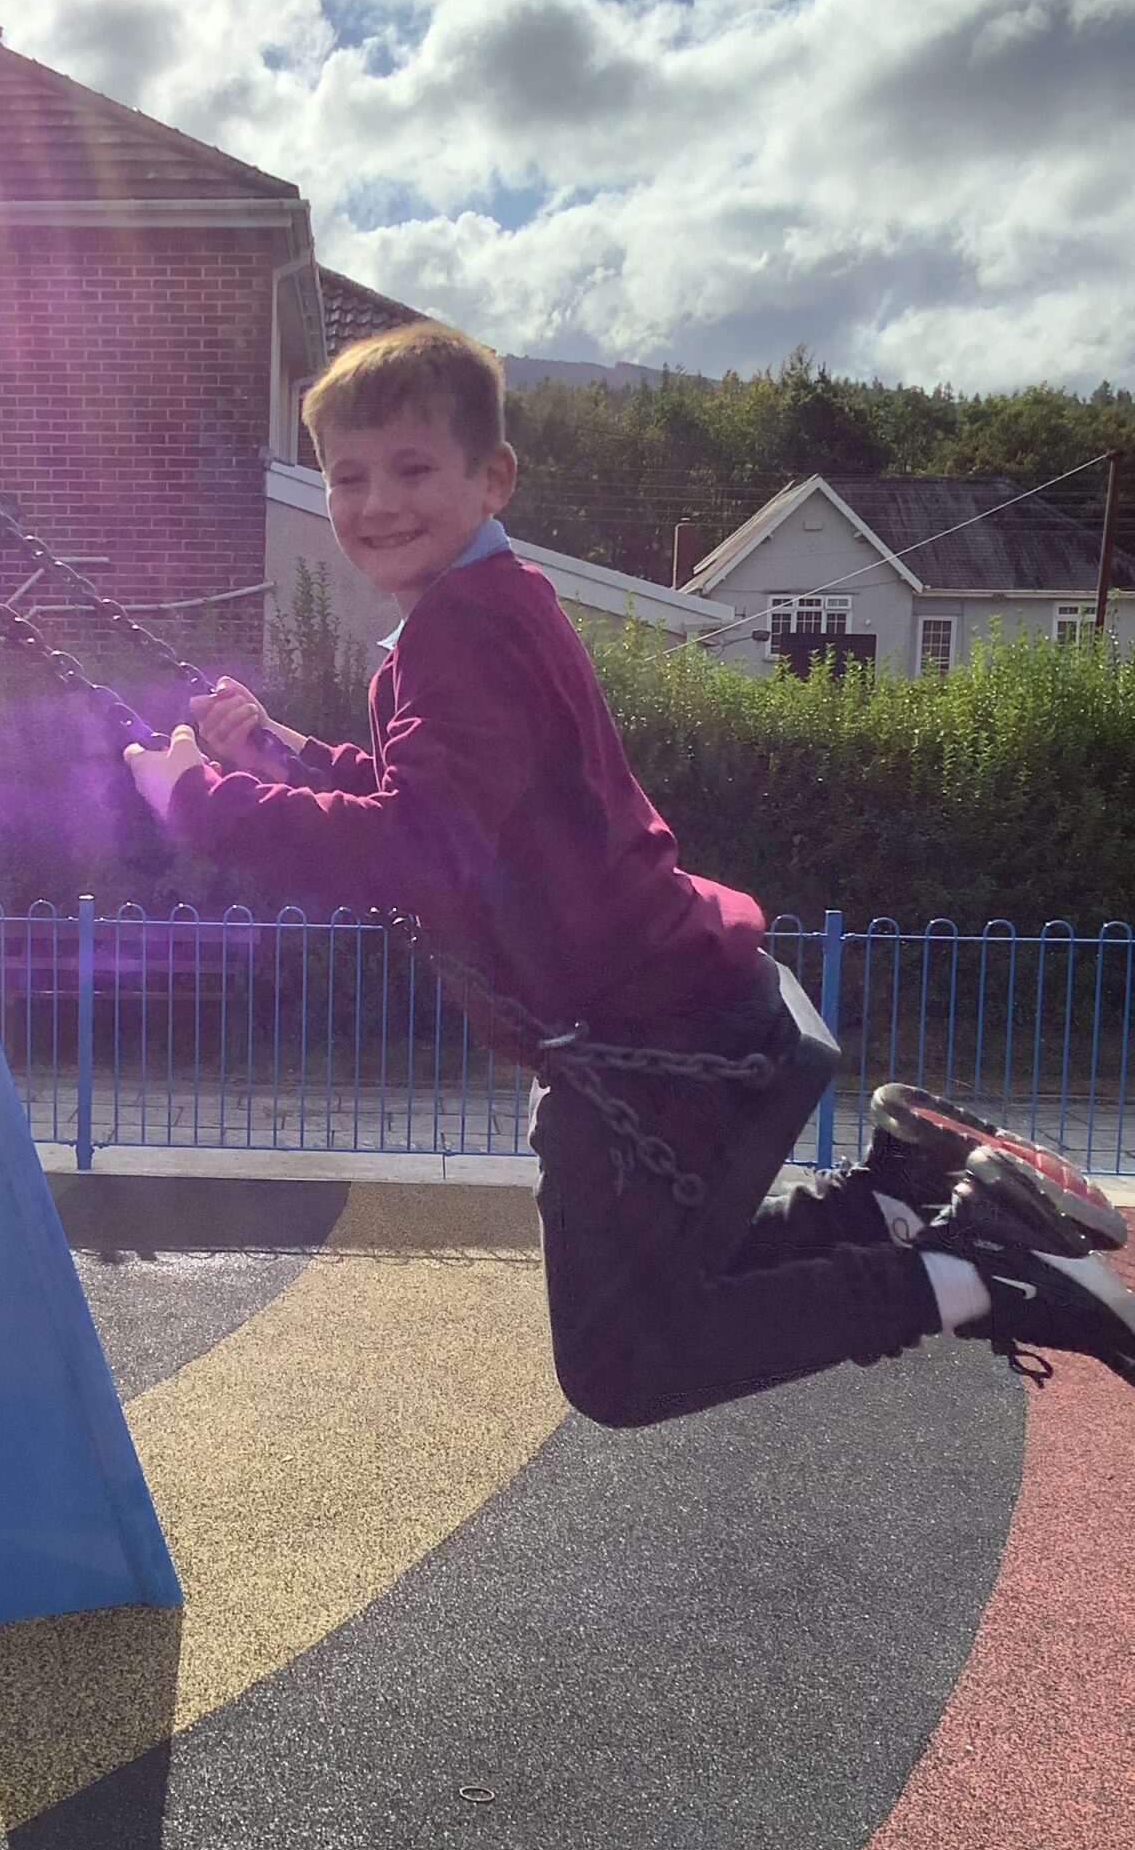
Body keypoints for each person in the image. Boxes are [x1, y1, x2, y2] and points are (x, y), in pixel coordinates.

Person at [126, 321, 1133, 1422]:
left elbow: (418, 846)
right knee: (672, 1302)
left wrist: (199, 804)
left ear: (493, 477)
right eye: (348, 475)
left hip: (652, 1029)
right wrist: (280, 752)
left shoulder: (464, 629)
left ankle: (983, 1273)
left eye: (413, 469)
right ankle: (901, 1200)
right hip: (680, 1004)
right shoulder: (482, 609)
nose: (377, 502)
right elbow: (446, 802)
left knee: (625, 1363)